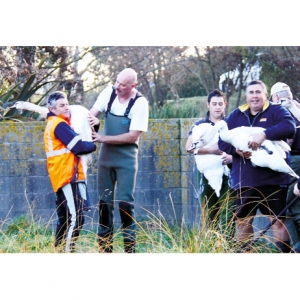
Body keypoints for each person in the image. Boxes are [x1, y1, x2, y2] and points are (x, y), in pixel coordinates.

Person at [218, 80, 296, 253]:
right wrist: (236, 151)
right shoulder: (236, 115)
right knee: (243, 222)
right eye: (251, 92)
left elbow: (289, 128)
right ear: (246, 95)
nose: (255, 96)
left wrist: (265, 134)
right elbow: (221, 142)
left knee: (277, 222)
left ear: (265, 95)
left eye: (258, 92)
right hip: (245, 179)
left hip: (273, 180)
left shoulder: (277, 111)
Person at [89, 68, 149, 253]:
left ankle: (129, 250)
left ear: (133, 86)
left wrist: (103, 138)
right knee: (104, 205)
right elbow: (92, 115)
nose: (118, 87)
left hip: (127, 161)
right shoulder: (108, 93)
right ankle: (105, 250)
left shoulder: (140, 103)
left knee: (125, 205)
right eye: (117, 82)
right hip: (105, 159)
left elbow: (133, 136)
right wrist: (92, 122)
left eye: (123, 85)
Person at [44, 91, 96, 252]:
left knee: (65, 219)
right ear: (52, 109)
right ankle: (67, 253)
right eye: (62, 105)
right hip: (67, 177)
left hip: (63, 177)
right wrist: (94, 144)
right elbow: (79, 147)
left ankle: (58, 251)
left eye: (67, 103)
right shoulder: (59, 125)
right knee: (76, 218)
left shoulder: (56, 123)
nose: (67, 107)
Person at [186, 89, 234, 236]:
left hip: (228, 174)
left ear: (225, 104)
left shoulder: (230, 123)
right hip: (206, 175)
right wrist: (210, 151)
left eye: (220, 103)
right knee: (210, 215)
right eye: (214, 104)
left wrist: (233, 158)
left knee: (228, 215)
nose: (217, 107)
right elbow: (189, 148)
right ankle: (211, 249)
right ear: (208, 105)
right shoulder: (199, 125)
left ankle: (228, 250)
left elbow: (240, 147)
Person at [270, 82, 300, 245]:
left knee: (281, 206)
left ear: (275, 97)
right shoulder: (297, 108)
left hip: (291, 162)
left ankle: (295, 248)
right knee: (295, 205)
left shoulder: (281, 111)